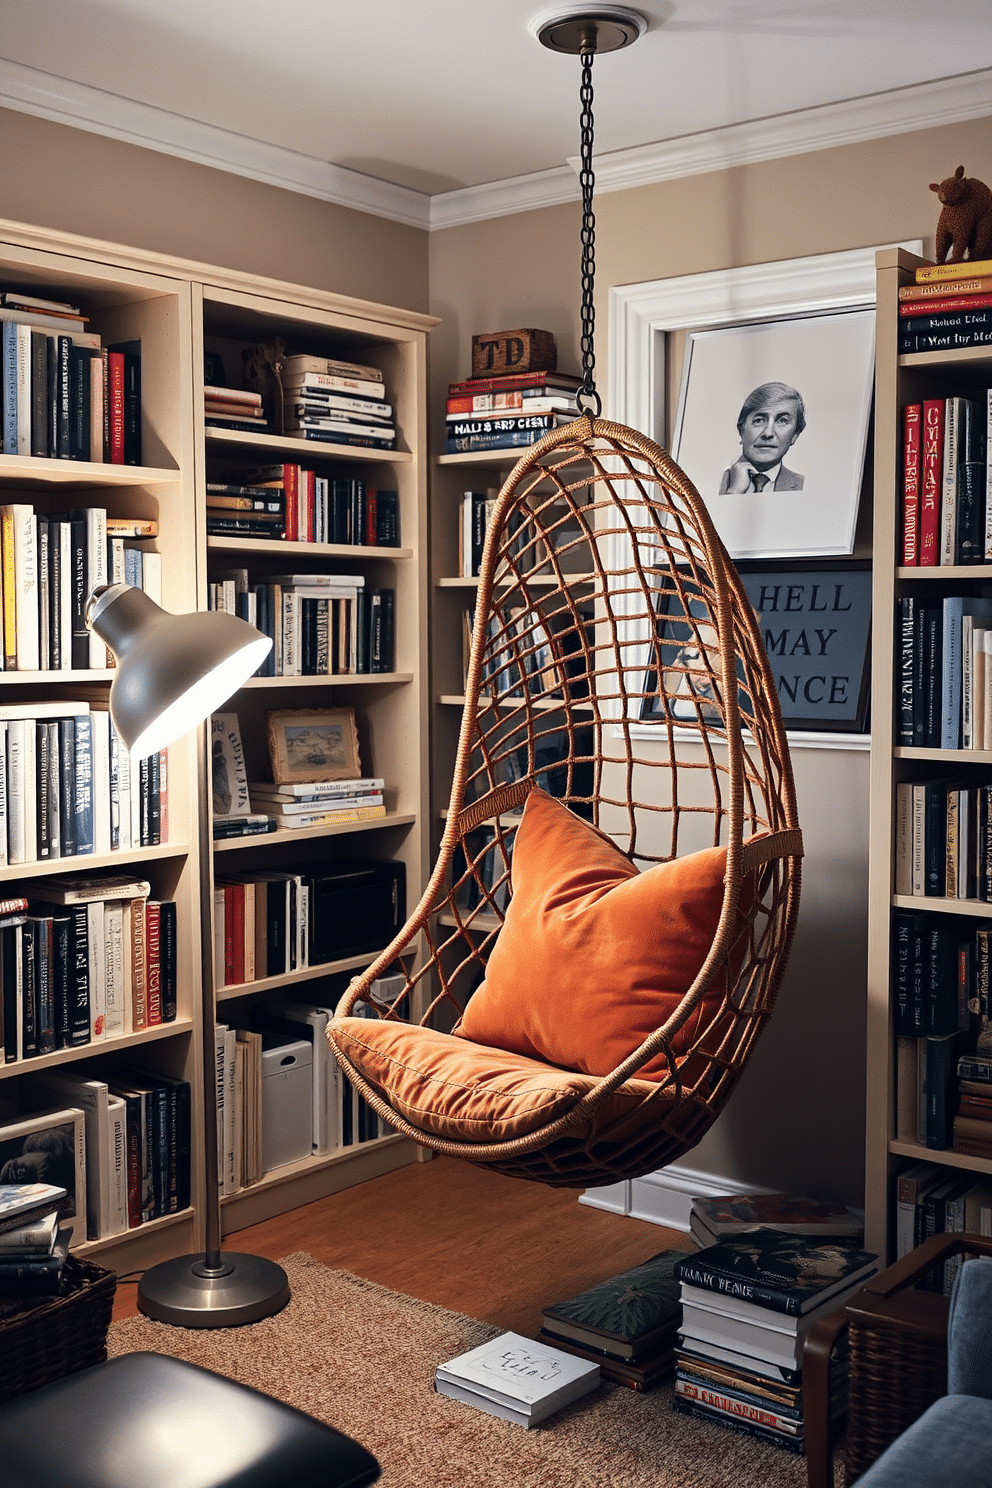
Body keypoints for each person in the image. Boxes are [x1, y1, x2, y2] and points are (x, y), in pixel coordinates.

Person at [719, 381, 806, 493]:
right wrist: (734, 491)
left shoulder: (803, 485)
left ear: (795, 435)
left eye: (782, 421)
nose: (768, 433)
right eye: (759, 420)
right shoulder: (717, 481)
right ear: (741, 431)